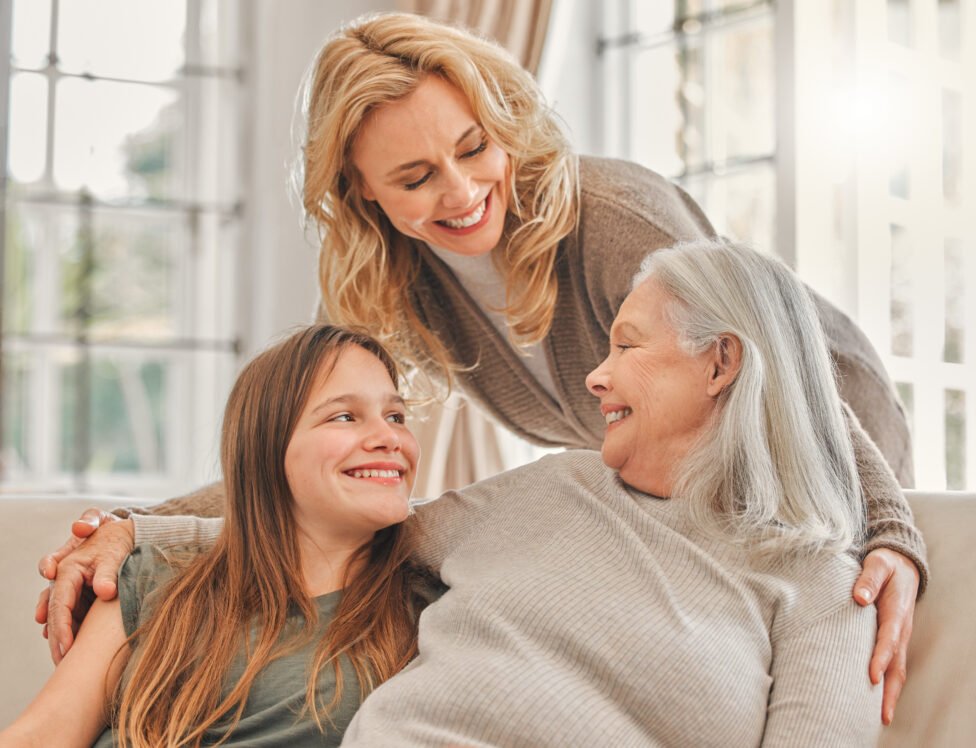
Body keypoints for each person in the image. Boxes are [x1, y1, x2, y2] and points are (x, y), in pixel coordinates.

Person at [38, 11, 923, 723]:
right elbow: (302, 458)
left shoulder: (613, 218)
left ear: (504, 127)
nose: (460, 195)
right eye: (416, 177)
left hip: (830, 417)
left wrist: (896, 533)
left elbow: (776, 374)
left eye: (474, 149)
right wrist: (140, 525)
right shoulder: (388, 282)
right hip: (668, 474)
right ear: (360, 193)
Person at [75, 240, 885, 745]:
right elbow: (332, 526)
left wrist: (899, 536)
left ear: (720, 363)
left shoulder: (822, 591)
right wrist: (141, 533)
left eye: (627, 346)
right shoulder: (557, 486)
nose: (595, 376)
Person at [3, 326, 435, 746]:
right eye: (345, 416)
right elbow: (42, 737)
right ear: (266, 447)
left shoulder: (430, 611)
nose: (389, 437)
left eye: (396, 416)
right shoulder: (151, 577)